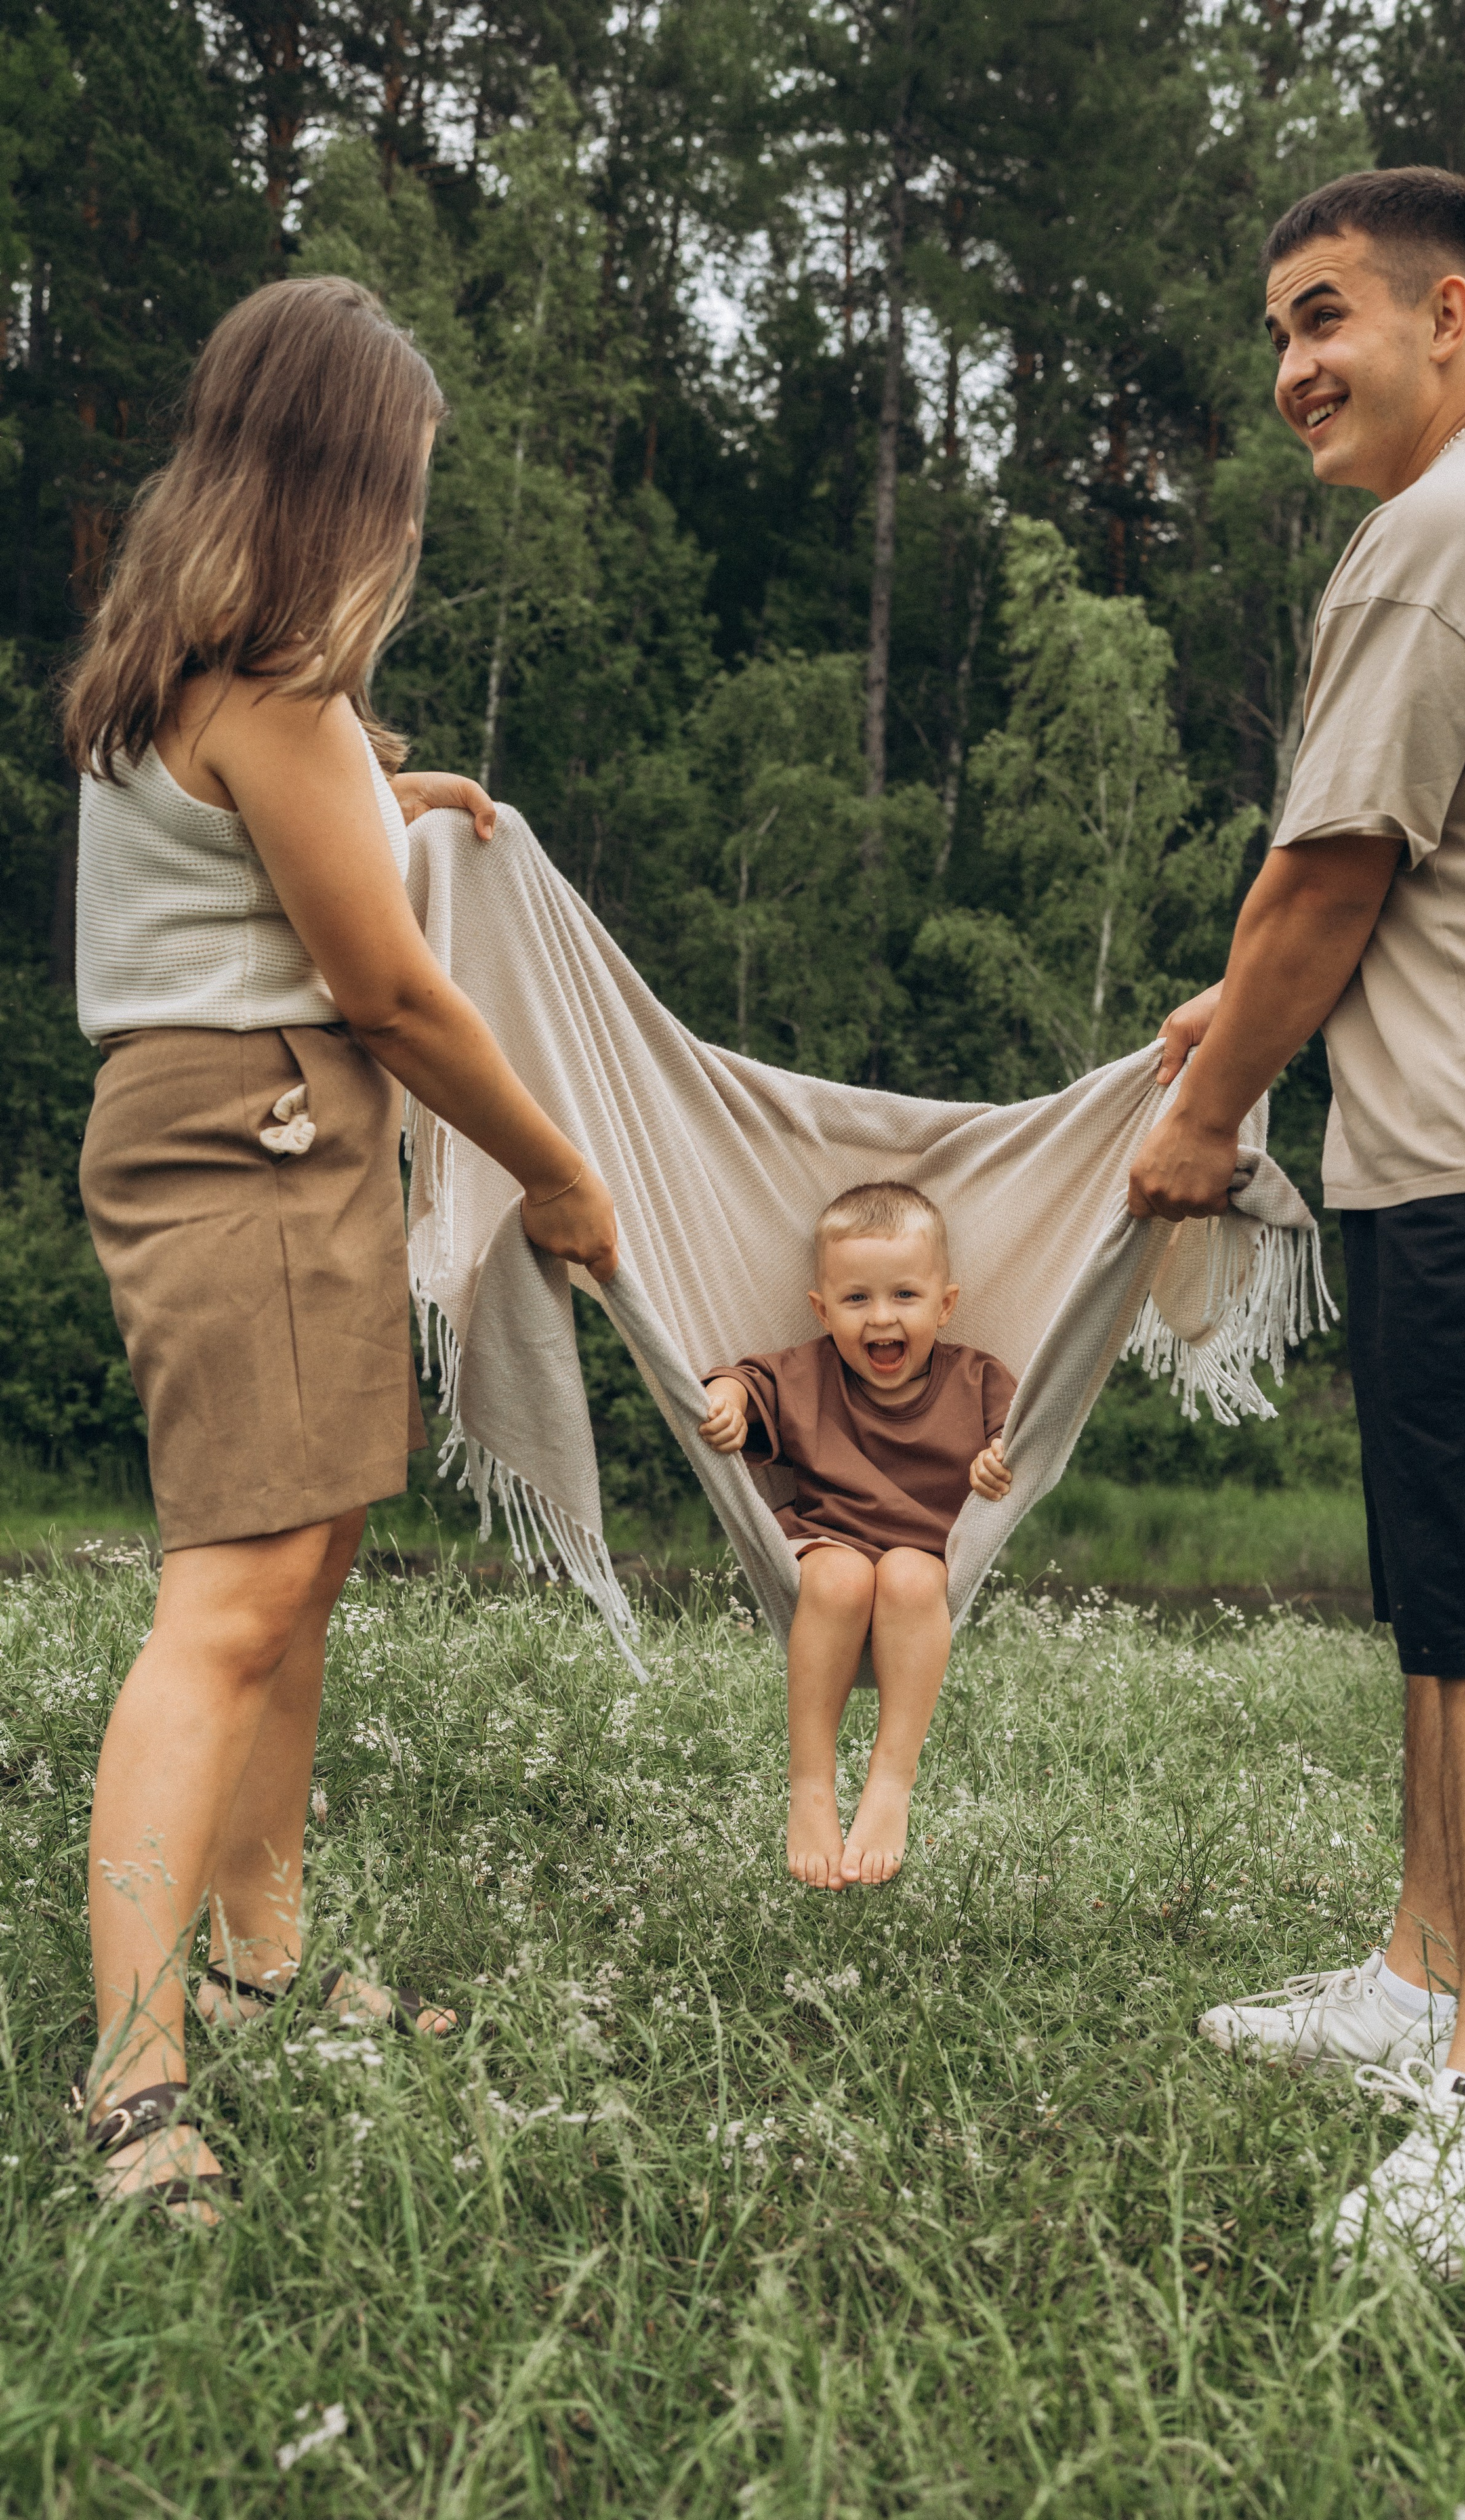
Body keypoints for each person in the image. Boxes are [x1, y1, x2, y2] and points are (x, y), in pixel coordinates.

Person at [1128, 167, 1465, 2278]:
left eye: (1327, 316)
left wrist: (1208, 1110)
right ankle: (1413, 1974)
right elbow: (1432, 877)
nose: (1291, 369)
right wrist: (1246, 1009)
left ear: (1451, 311)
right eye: (1276, 328)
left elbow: (1326, 879)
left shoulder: (1440, 535)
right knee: (1446, 1600)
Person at [62, 274, 619, 2219]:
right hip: (261, 1127)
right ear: (346, 474)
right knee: (227, 1600)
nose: (414, 519)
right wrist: (554, 1165)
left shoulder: (196, 670)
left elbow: (283, 855)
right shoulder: (274, 689)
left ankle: (261, 1962)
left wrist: (395, 796)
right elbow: (383, 985)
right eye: (407, 481)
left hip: (246, 1126)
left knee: (297, 1564)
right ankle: (136, 2087)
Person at [698, 1181, 1014, 1890]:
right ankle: (810, 1785)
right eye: (856, 1300)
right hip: (826, 1540)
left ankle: (889, 1784)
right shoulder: (808, 1372)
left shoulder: (978, 1380)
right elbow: (746, 1380)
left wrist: (1000, 1463)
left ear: (945, 1303)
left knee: (906, 1575)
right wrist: (725, 1398)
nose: (881, 1320)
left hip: (927, 1558)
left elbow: (1025, 1437)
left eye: (904, 1296)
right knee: (841, 1579)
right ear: (822, 1309)